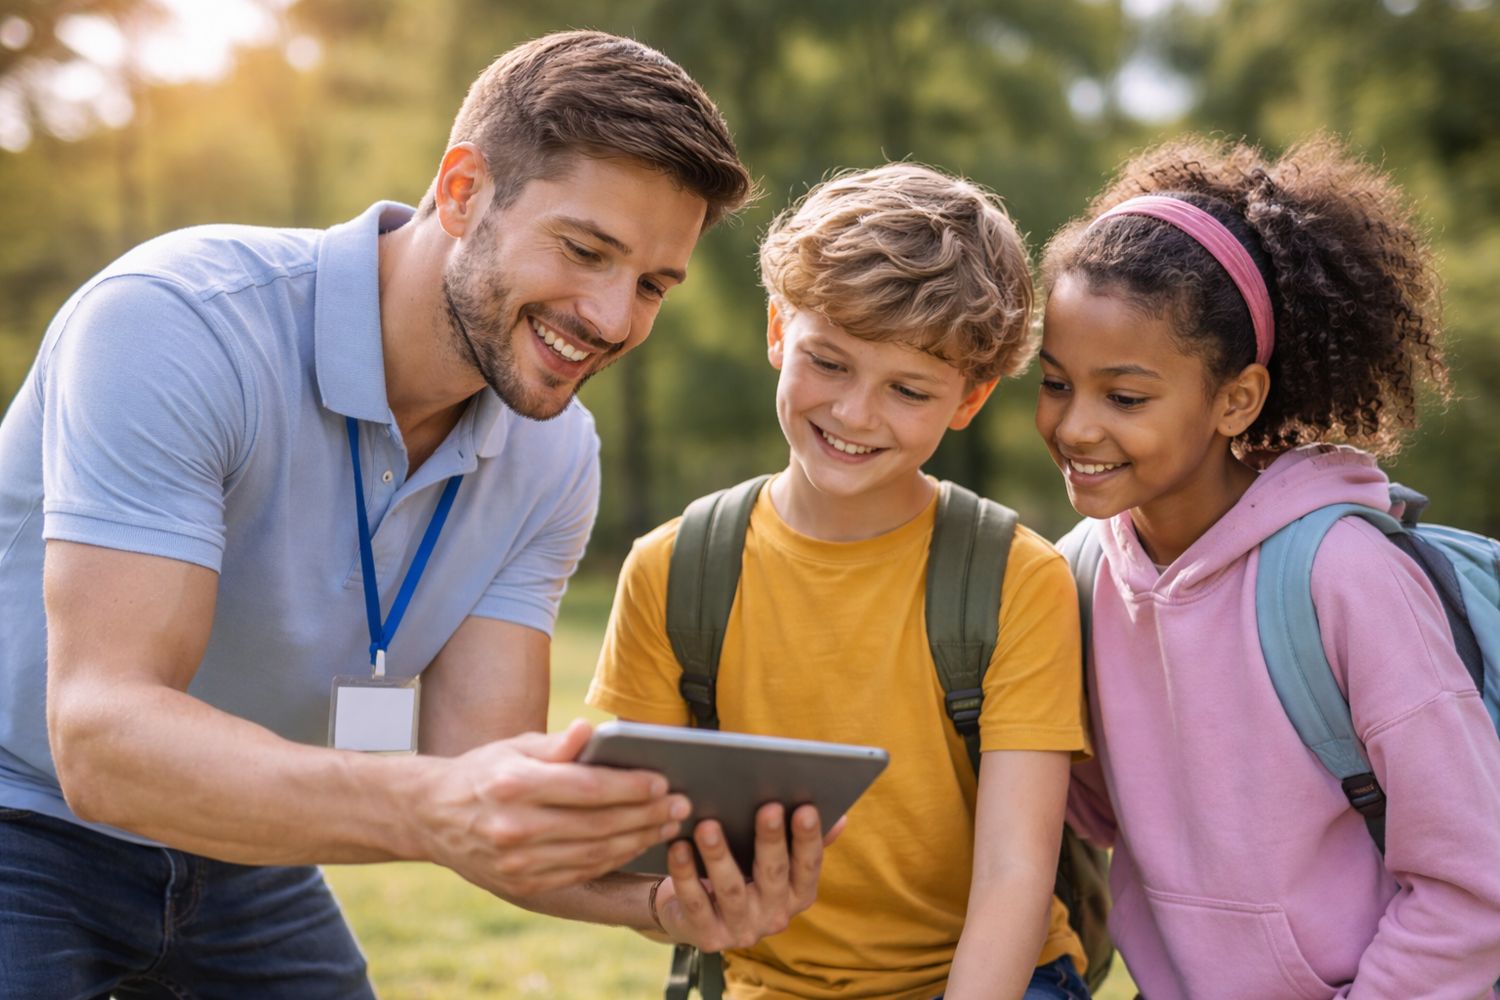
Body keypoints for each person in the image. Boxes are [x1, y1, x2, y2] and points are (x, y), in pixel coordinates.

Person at [0, 30, 829, 998]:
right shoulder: (179, 324)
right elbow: (102, 741)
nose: (611, 319)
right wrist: (432, 801)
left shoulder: (555, 455)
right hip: (22, 814)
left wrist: (657, 903)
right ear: (464, 188)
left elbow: (479, 778)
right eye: (584, 249)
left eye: (651, 285)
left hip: (240, 845)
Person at [588, 163, 1092, 1000]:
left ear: (967, 401)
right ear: (779, 329)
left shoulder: (1015, 579)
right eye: (829, 362)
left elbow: (1014, 873)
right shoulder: (674, 570)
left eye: (908, 389)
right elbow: (633, 851)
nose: (855, 415)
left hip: (989, 977)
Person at [1036, 134, 1500, 998]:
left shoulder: (1343, 575)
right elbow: (1094, 812)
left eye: (1125, 396)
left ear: (1235, 398)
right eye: (1055, 382)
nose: (1074, 427)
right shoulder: (1077, 577)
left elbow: (1477, 887)